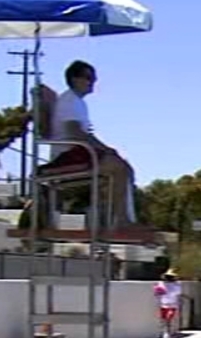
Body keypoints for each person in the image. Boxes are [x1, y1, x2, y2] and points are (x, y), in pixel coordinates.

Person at [35, 60, 139, 230]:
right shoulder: (70, 101)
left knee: (121, 168)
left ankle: (116, 219)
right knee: (121, 168)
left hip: (77, 151)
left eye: (94, 78)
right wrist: (105, 149)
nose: (93, 82)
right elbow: (76, 132)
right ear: (75, 79)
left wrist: (105, 150)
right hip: (69, 155)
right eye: (88, 77)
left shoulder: (76, 101)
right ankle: (121, 221)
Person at [153, 269, 183, 338]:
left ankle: (167, 335)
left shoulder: (176, 285)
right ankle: (165, 335)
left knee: (168, 320)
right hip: (164, 304)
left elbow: (178, 293)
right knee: (164, 321)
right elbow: (157, 293)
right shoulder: (161, 284)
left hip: (172, 305)